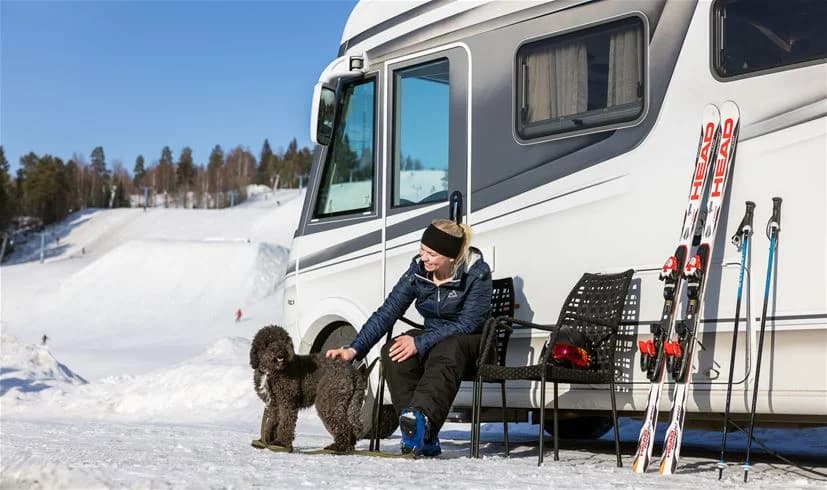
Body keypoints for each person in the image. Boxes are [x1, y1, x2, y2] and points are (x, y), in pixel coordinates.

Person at [326, 219, 492, 456]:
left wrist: (420, 342)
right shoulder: (418, 272)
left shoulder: (477, 273)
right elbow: (387, 312)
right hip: (435, 340)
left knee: (448, 348)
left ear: (451, 257)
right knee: (394, 350)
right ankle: (417, 433)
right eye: (422, 250)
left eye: (431, 254)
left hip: (473, 343)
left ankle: (421, 422)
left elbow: (468, 324)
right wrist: (354, 349)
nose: (424, 257)